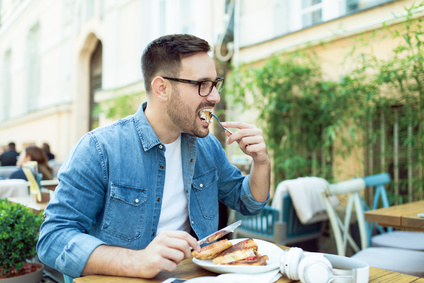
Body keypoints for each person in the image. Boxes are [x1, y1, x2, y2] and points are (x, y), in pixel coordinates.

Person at [37, 34, 271, 279]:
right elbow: (53, 239)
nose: (215, 96)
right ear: (162, 88)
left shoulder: (208, 146)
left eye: (215, 84)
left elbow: (248, 202)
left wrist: (261, 162)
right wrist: (137, 261)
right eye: (202, 84)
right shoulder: (99, 149)